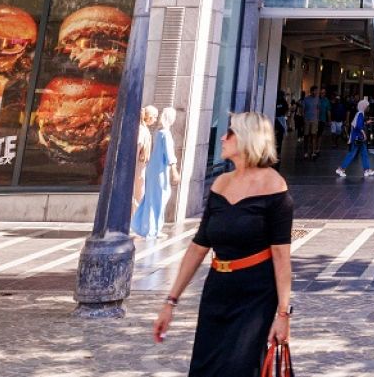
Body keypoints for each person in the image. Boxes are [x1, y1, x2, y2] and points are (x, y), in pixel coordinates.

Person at [153, 111, 294, 377]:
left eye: (230, 133)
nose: (223, 138)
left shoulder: (275, 187)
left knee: (239, 368)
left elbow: (281, 256)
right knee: (206, 367)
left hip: (255, 295)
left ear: (247, 140)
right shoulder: (220, 183)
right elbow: (199, 245)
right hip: (218, 289)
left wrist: (283, 315)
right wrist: (170, 302)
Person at [136, 107, 179, 239]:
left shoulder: (158, 132)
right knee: (159, 199)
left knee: (151, 198)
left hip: (154, 168)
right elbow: (169, 153)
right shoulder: (165, 134)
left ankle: (144, 226)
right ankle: (153, 229)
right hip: (160, 170)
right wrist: (174, 170)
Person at [335, 97, 374, 179]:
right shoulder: (360, 114)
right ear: (364, 106)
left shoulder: (359, 113)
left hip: (357, 137)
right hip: (358, 138)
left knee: (363, 153)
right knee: (353, 154)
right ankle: (341, 169)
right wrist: (364, 134)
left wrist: (366, 122)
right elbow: (358, 126)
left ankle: (366, 170)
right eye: (367, 106)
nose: (368, 108)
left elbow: (356, 125)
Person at [299, 87, 321, 161]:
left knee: (314, 135)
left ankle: (313, 152)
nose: (315, 93)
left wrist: (317, 119)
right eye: (314, 91)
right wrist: (303, 119)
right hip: (307, 119)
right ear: (311, 91)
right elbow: (302, 110)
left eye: (316, 91)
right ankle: (305, 152)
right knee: (306, 136)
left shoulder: (317, 99)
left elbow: (318, 109)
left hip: (314, 120)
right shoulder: (306, 99)